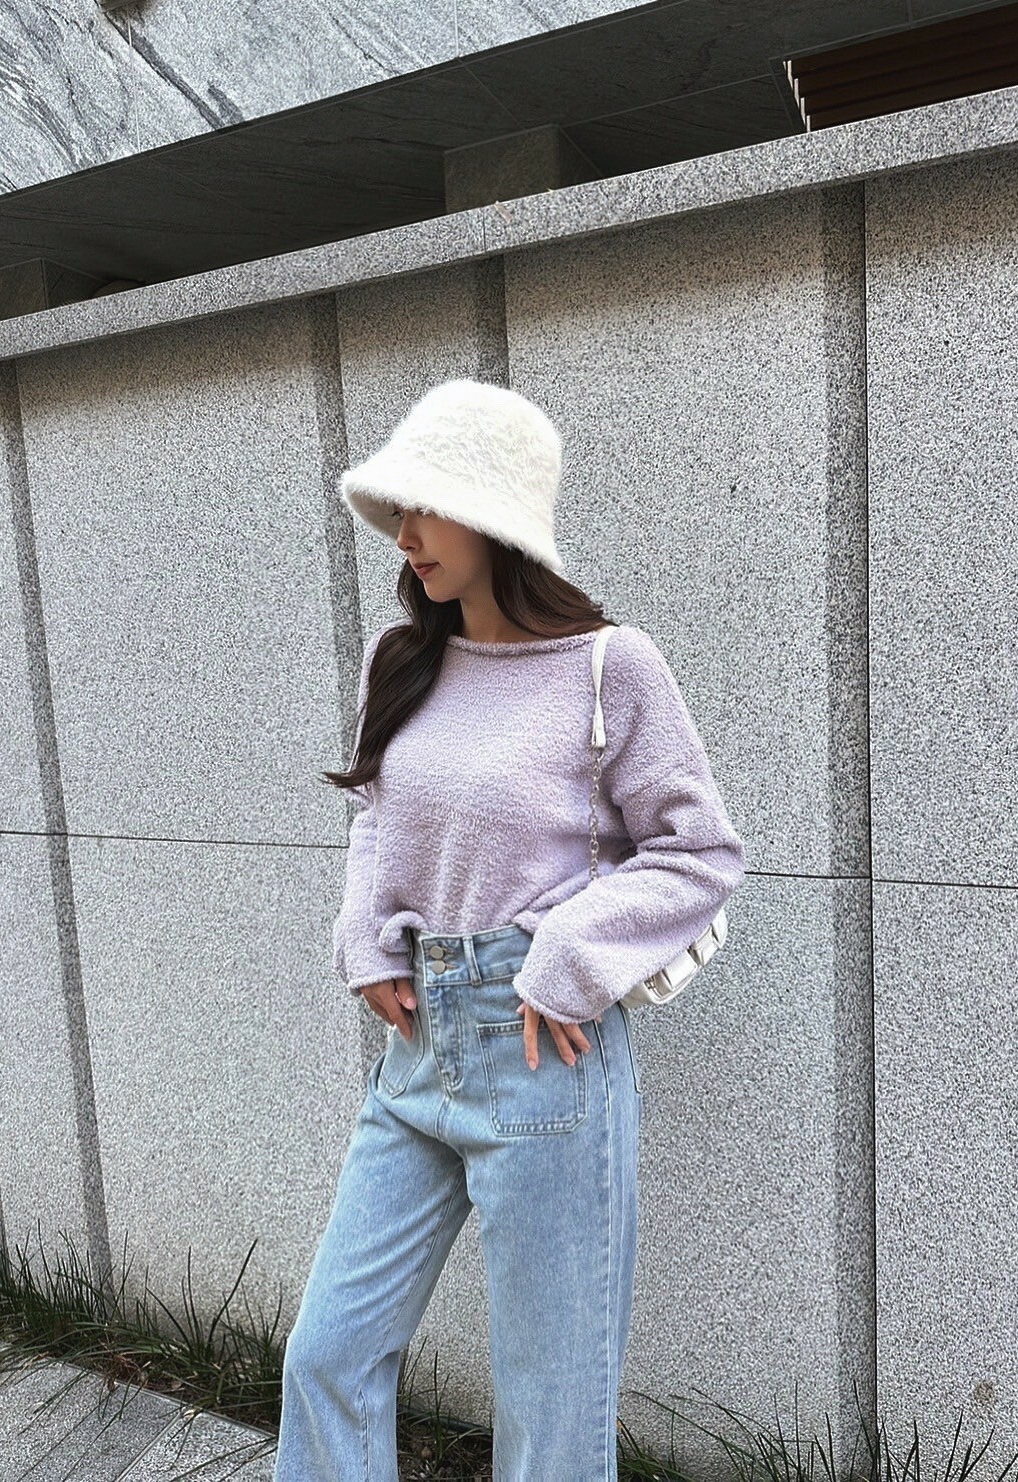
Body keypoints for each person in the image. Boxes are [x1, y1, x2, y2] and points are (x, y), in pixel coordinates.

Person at [273, 378, 747, 1481]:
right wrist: (364, 941)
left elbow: (699, 852)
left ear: (495, 516)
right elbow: (375, 816)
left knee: (549, 1411)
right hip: (416, 1053)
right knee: (327, 1355)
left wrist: (567, 959)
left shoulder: (609, 668)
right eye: (398, 509)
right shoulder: (402, 659)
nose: (406, 534)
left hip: (543, 1055)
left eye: (427, 507)